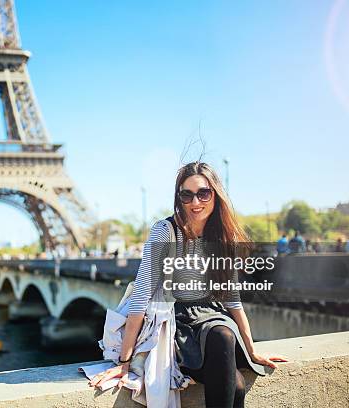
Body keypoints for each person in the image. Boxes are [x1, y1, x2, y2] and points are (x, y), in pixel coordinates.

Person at [89, 162, 286, 408]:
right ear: (178, 197)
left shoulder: (224, 238)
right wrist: (125, 361)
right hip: (177, 324)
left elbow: (232, 299)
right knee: (234, 384)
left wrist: (252, 349)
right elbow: (141, 296)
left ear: (216, 194)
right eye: (187, 195)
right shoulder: (165, 232)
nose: (195, 203)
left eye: (203, 193)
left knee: (224, 339)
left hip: (214, 320)